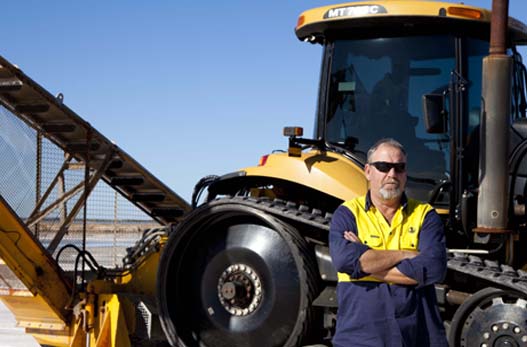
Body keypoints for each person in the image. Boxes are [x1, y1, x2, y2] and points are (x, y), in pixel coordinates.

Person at [329, 138, 448, 347]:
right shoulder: (348, 214)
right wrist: (404, 254)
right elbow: (346, 261)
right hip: (359, 339)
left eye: (399, 168)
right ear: (367, 171)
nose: (392, 175)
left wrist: (365, 262)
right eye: (383, 167)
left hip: (418, 337)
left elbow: (433, 267)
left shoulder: (425, 215)